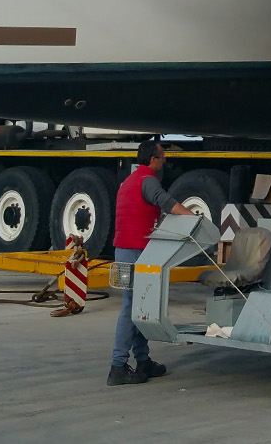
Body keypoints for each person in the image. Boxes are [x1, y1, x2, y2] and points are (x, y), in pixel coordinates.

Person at [108, 138, 191, 385]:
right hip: (135, 252)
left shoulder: (129, 181)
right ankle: (118, 366)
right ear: (152, 160)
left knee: (138, 306)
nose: (165, 160)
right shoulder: (148, 181)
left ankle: (142, 361)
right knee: (131, 307)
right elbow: (165, 201)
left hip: (123, 250)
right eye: (162, 156)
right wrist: (193, 218)